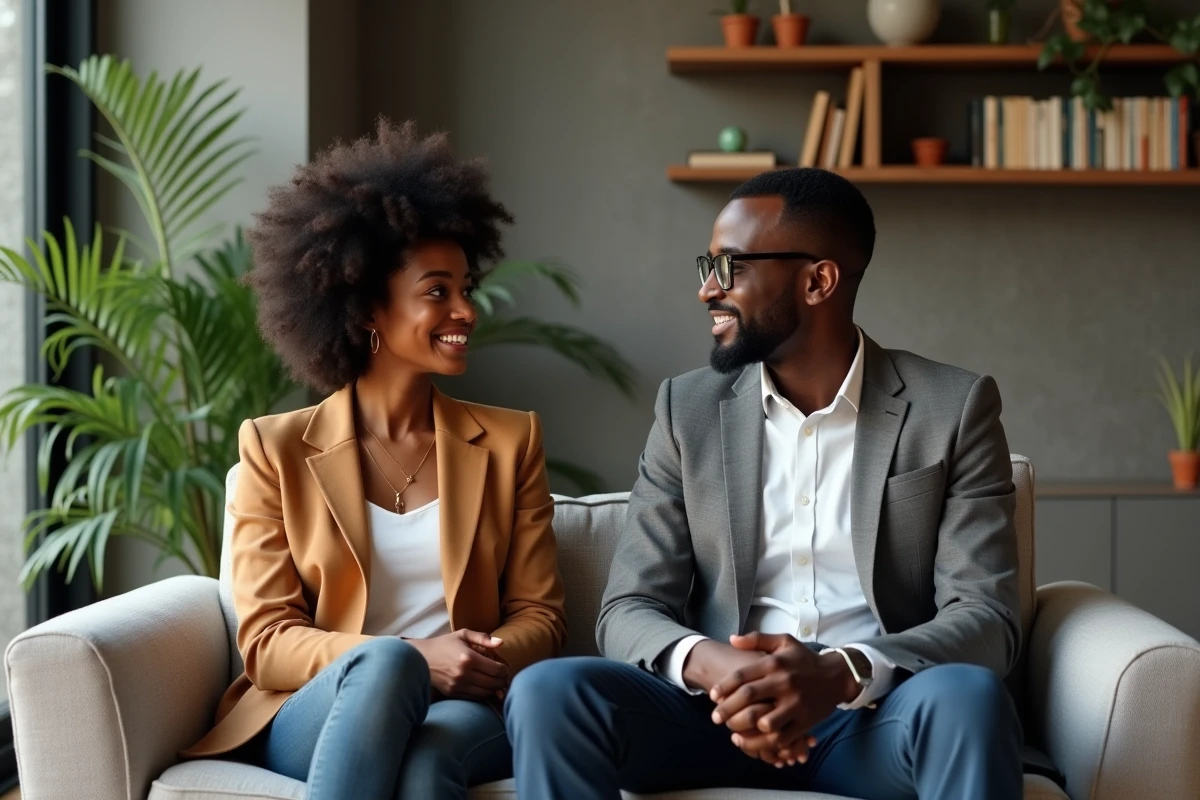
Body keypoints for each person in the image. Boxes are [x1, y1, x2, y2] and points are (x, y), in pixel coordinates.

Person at [505, 167, 1022, 799]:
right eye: (707, 266)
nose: (707, 291)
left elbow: (987, 617)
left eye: (731, 267)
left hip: (871, 719)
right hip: (712, 717)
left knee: (968, 696)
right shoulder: (686, 410)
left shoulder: (952, 407)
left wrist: (837, 674)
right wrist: (719, 668)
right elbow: (628, 608)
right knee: (550, 692)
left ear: (817, 280)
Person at [181, 119, 567, 800]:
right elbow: (267, 640)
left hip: (463, 709)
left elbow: (541, 616)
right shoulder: (275, 450)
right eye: (437, 292)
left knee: (426, 764)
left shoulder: (510, 443)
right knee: (387, 664)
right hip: (319, 709)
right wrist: (417, 660)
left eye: (465, 287)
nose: (466, 311)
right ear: (368, 311)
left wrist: (471, 661)